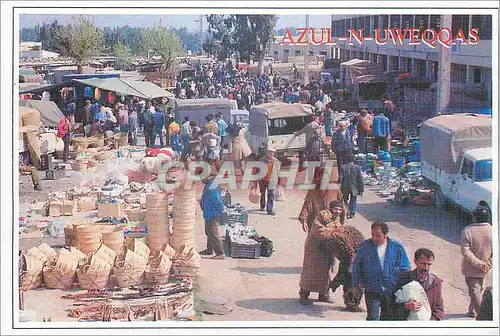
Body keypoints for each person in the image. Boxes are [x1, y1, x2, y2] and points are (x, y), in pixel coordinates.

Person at [352, 221, 411, 320]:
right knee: (372, 317)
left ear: (386, 235)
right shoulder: (365, 246)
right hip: (372, 288)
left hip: (390, 289)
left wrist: (405, 288)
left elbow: (405, 268)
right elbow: (356, 267)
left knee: (388, 318)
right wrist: (355, 285)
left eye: (378, 236)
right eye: (372, 235)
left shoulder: (397, 248)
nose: (374, 238)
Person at [298, 186, 345, 305]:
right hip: (315, 247)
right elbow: (320, 231)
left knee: (326, 271)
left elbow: (342, 205)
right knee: (311, 270)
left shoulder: (335, 190)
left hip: (327, 248)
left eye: (339, 210)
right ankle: (304, 294)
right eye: (336, 209)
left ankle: (323, 294)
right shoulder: (321, 215)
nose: (338, 212)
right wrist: (303, 220)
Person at [392, 248, 444, 321]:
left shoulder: (435, 283)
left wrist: (431, 323)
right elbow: (392, 304)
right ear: (415, 262)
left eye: (429, 264)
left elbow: (439, 309)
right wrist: (406, 306)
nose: (426, 268)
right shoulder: (404, 279)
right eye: (423, 264)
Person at [460, 204, 492, 318]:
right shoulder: (492, 230)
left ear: (475, 217)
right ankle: (472, 310)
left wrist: (478, 264)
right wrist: (488, 263)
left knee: (475, 291)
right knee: (479, 290)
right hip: (486, 268)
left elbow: (465, 251)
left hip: (471, 269)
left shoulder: (468, 230)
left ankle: (482, 316)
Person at [327, 224, 365, 312]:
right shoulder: (336, 240)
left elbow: (350, 256)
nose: (336, 255)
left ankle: (352, 303)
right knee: (347, 278)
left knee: (352, 280)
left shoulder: (352, 243)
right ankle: (351, 304)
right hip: (349, 258)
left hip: (354, 259)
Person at [199, 169, 225, 260]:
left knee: (214, 233)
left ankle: (220, 253)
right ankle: (210, 249)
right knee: (208, 232)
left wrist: (219, 211)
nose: (201, 180)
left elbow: (217, 200)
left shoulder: (212, 186)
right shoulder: (209, 184)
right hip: (208, 212)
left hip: (213, 213)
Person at [256, 147, 281, 215]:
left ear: (274, 154)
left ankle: (269, 210)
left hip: (272, 181)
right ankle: (262, 206)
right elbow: (257, 171)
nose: (270, 154)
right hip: (263, 181)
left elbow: (278, 172)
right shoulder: (261, 160)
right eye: (269, 152)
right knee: (262, 194)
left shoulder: (276, 162)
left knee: (271, 196)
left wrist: (279, 183)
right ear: (267, 153)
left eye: (272, 153)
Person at [339, 154, 364, 219]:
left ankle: (346, 211)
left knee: (344, 200)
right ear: (353, 159)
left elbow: (341, 178)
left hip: (345, 187)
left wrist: (339, 187)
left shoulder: (343, 167)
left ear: (346, 159)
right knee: (353, 201)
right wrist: (361, 190)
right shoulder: (357, 167)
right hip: (354, 187)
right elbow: (360, 179)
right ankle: (352, 213)